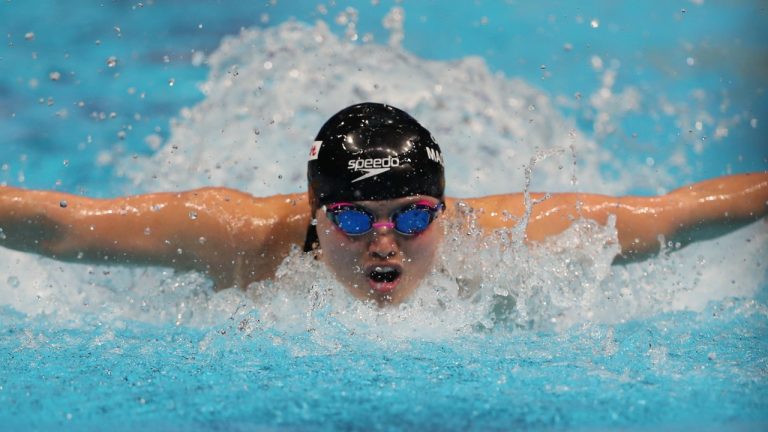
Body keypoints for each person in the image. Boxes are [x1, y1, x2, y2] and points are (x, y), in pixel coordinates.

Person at [0, 102, 766, 304]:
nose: (385, 245)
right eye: (354, 219)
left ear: (445, 206)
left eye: (413, 216)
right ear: (312, 211)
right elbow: (64, 229)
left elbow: (678, 212)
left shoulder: (520, 239)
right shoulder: (237, 235)